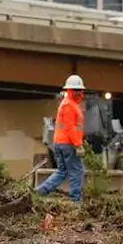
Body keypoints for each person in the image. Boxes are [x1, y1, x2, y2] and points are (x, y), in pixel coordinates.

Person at [36, 74, 86, 203]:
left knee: (62, 171)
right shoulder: (69, 105)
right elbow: (70, 127)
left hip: (60, 143)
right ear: (68, 90)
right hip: (68, 144)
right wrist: (78, 144)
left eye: (79, 89)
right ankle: (76, 202)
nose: (77, 92)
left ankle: (40, 192)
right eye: (75, 90)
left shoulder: (68, 104)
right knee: (76, 172)